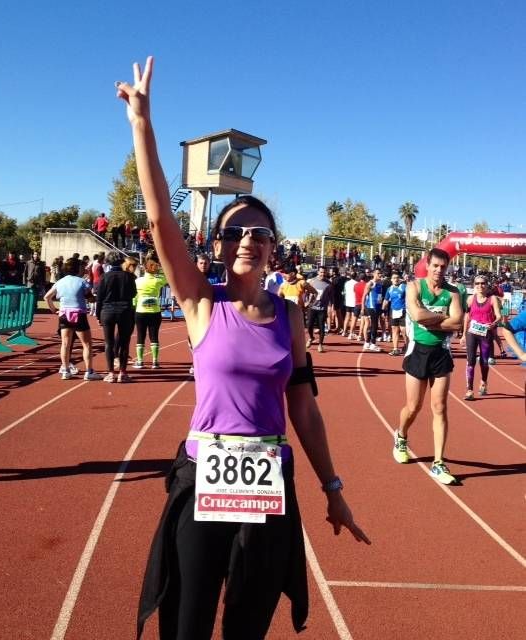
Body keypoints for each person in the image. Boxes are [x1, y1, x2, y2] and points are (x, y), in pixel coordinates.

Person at [116, 57, 369, 640]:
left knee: (248, 625)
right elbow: (158, 219)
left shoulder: (292, 316)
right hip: (206, 473)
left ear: (274, 248)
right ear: (220, 244)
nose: (249, 240)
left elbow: (303, 408)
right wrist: (142, 125)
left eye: (261, 232)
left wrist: (333, 490)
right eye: (236, 232)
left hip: (268, 481)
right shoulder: (202, 303)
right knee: (188, 620)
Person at [392, 248, 463, 485]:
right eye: (435, 266)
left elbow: (458, 322)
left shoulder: (453, 293)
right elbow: (416, 314)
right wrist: (443, 320)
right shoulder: (414, 287)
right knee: (414, 407)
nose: (438, 271)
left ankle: (438, 462)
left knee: (440, 407)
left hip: (441, 353)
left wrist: (432, 319)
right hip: (418, 351)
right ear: (428, 265)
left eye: (443, 267)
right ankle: (401, 436)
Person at [43, 258, 101, 381]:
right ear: (77, 268)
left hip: (64, 314)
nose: (83, 269)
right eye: (81, 267)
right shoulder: (82, 282)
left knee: (65, 344)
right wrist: (94, 298)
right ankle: (89, 371)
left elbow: (47, 297)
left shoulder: (60, 282)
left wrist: (53, 310)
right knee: (87, 344)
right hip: (79, 314)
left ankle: (66, 370)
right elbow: (90, 299)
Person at [96, 251, 137, 383]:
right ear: (121, 262)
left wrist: (98, 315)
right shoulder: (129, 277)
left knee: (109, 343)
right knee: (124, 343)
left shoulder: (104, 277)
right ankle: (122, 373)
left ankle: (111, 373)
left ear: (108, 262)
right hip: (125, 310)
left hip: (107, 311)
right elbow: (133, 294)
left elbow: (99, 298)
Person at [460, 276, 501, 400]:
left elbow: (498, 316)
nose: (480, 285)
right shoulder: (470, 299)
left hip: (485, 334)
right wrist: (463, 334)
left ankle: (483, 381)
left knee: (484, 361)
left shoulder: (492, 299)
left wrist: (493, 324)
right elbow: (467, 317)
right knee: (471, 360)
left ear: (487, 285)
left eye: (483, 283)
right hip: (472, 333)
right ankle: (469, 390)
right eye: (477, 283)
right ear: (474, 285)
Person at [133, 251, 167, 369]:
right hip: (155, 312)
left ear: (145, 269)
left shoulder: (138, 281)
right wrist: (159, 268)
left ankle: (140, 361)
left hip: (140, 312)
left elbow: (134, 297)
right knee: (154, 336)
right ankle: (155, 361)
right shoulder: (158, 281)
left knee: (140, 336)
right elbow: (166, 276)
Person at [306, 265, 332, 353]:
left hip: (322, 308)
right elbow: (306, 293)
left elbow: (330, 296)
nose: (322, 274)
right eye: (321, 272)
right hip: (312, 307)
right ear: (318, 272)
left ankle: (320, 344)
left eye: (324, 272)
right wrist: (307, 302)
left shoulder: (328, 283)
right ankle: (311, 338)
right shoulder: (312, 281)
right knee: (309, 326)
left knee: (321, 327)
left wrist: (330, 307)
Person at [382, 271, 407, 356]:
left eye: (397, 278)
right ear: (391, 280)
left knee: (404, 330)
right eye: (394, 278)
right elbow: (385, 300)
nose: (396, 279)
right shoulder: (390, 289)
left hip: (403, 311)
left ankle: (407, 346)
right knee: (394, 329)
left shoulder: (404, 287)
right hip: (393, 311)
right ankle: (395, 349)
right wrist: (383, 311)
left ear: (399, 279)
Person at [361, 268, 384, 352]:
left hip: (378, 307)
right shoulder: (370, 283)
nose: (380, 275)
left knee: (373, 325)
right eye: (378, 273)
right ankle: (373, 344)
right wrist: (363, 308)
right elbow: (364, 296)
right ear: (373, 274)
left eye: (380, 273)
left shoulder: (380, 283)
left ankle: (367, 343)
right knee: (374, 325)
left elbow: (380, 296)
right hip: (371, 307)